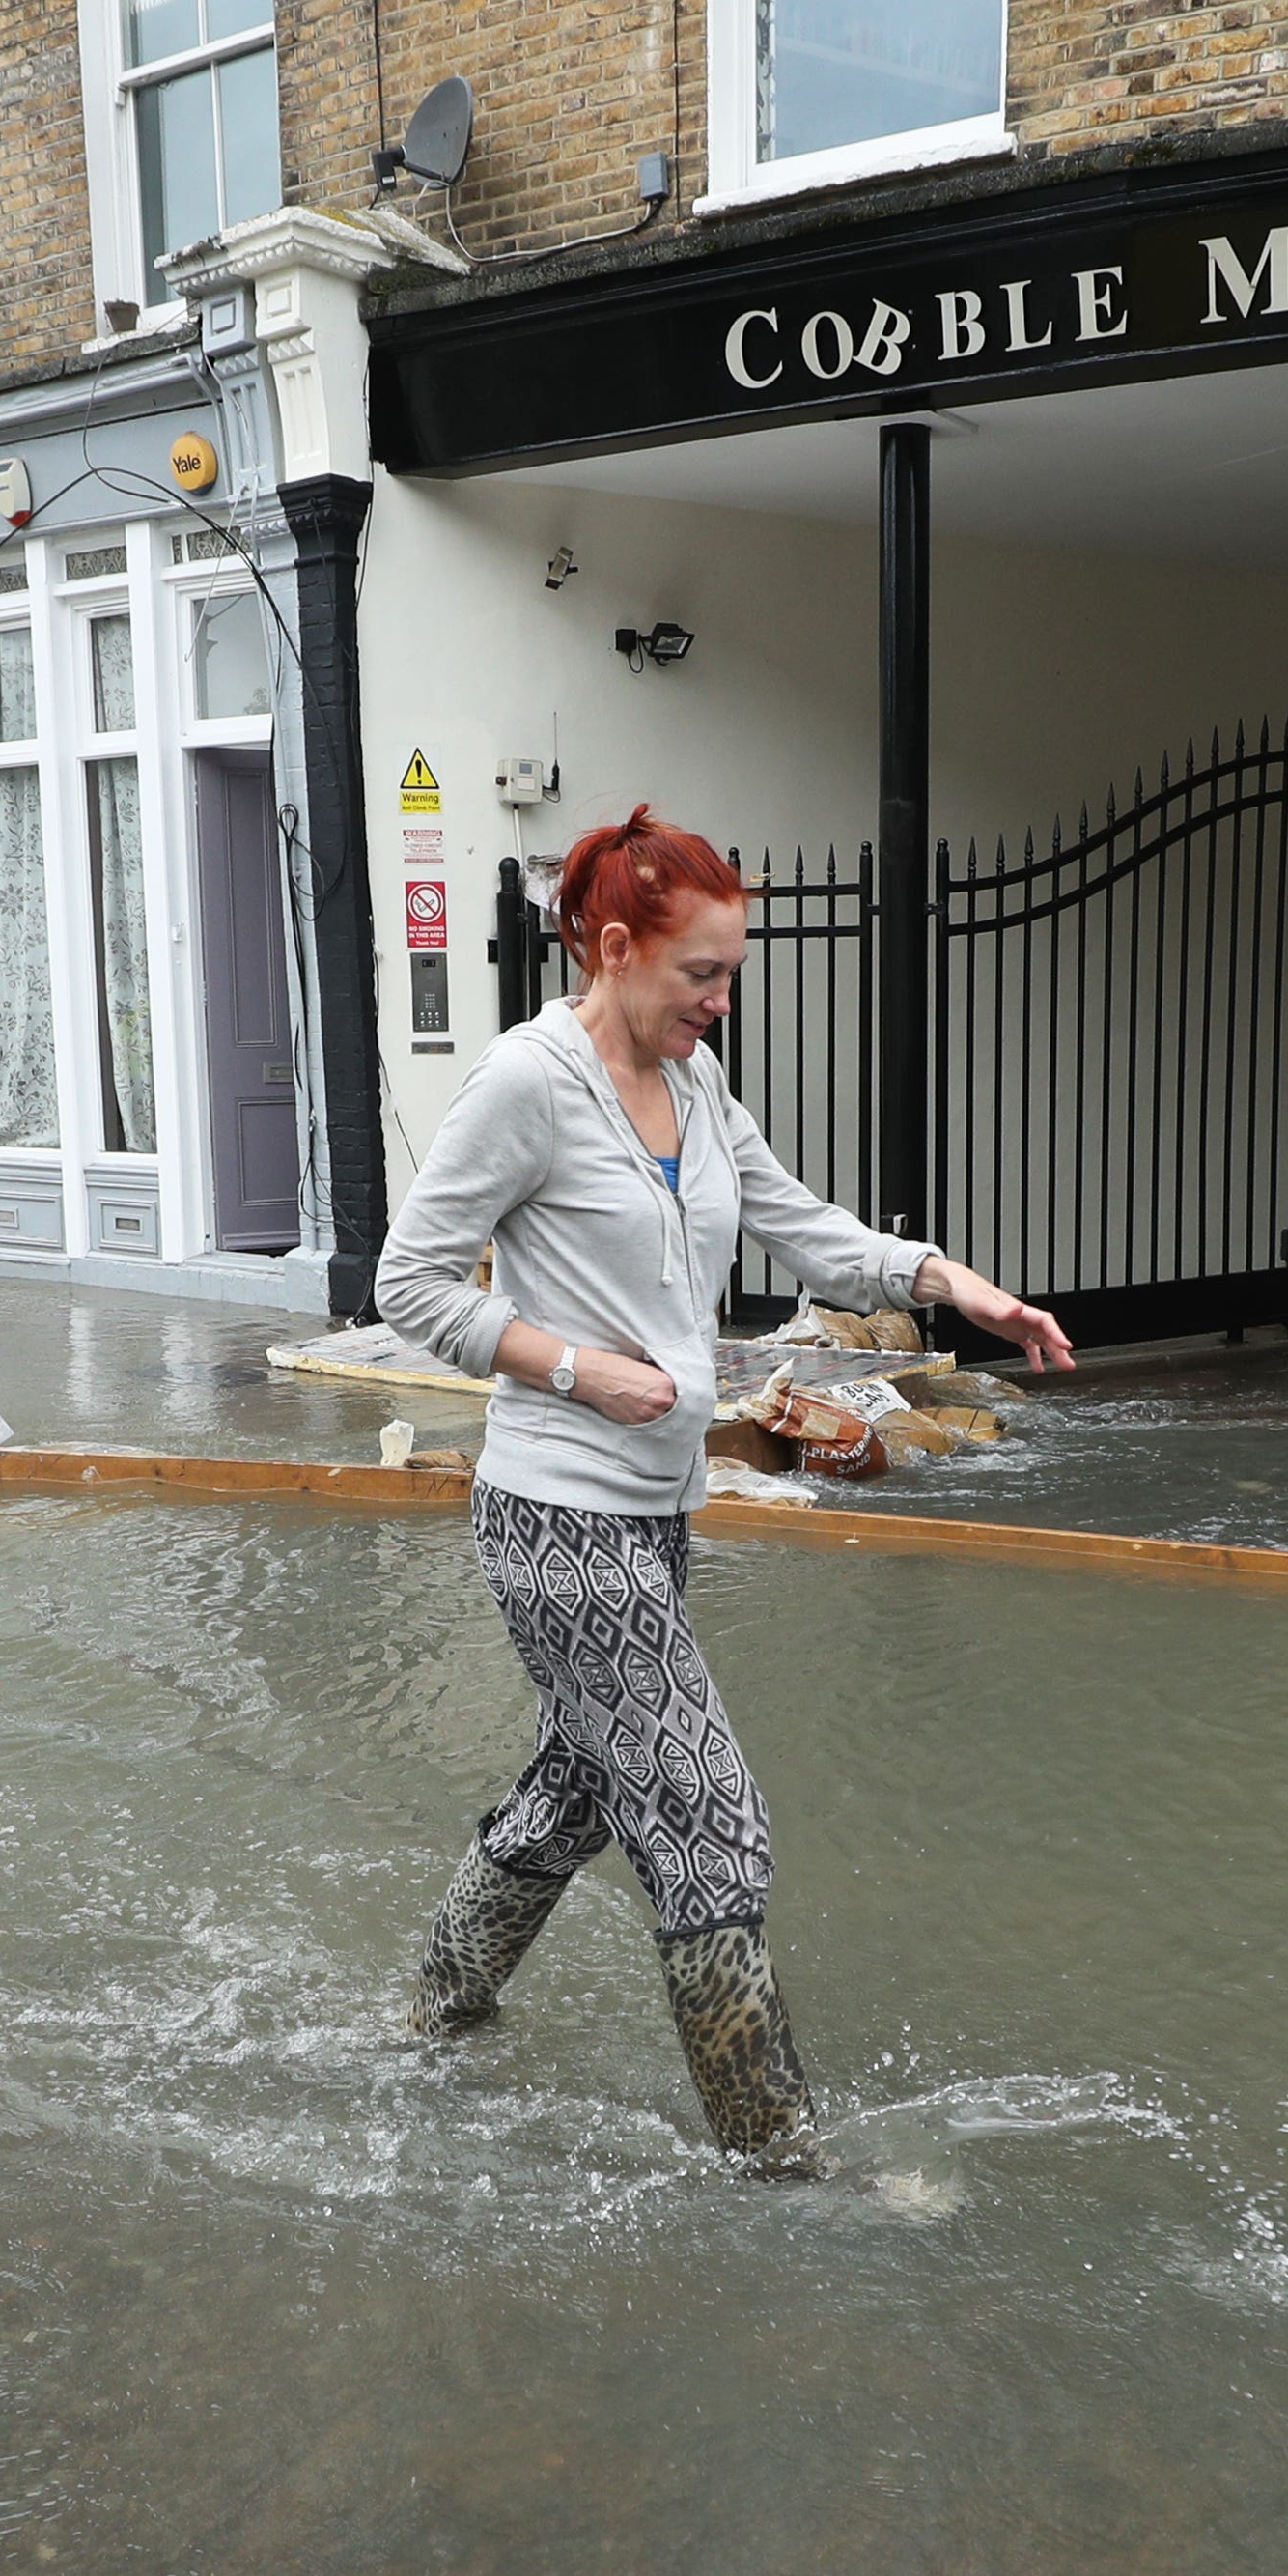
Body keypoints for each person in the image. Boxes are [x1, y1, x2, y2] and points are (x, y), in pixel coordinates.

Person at [375, 807, 1076, 2175]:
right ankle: (779, 2158)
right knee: (703, 1811)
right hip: (556, 1516)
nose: (720, 999)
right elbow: (406, 1285)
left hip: (651, 1512)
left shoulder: (696, 1092)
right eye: (702, 973)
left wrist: (954, 1284)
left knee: (584, 1785)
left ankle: (432, 2006)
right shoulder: (527, 1082)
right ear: (618, 948)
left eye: (731, 972)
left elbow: (801, 1222)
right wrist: (579, 1368)